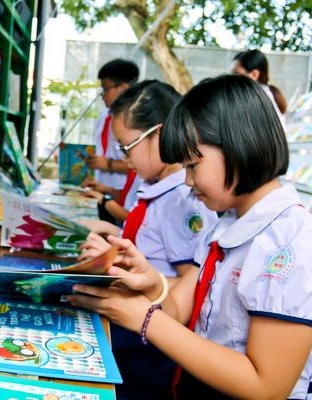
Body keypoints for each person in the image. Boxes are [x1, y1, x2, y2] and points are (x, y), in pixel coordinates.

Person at [68, 75, 312, 399]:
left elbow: (266, 386)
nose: (187, 181)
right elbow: (179, 308)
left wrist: (146, 320)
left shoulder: (294, 241)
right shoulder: (226, 225)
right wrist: (149, 281)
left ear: (237, 144)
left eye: (193, 165)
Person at [79, 80, 218, 399]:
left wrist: (132, 277)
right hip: (137, 332)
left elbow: (193, 289)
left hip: (151, 352)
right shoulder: (159, 191)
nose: (124, 157)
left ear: (159, 133)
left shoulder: (184, 200)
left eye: (127, 146)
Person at [83, 58, 140, 223]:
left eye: (105, 89)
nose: (102, 95)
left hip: (124, 198)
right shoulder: (105, 116)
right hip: (108, 191)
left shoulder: (134, 122)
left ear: (122, 88)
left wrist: (106, 164)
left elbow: (136, 164)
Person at [231, 49, 287, 127]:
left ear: (254, 74)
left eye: (237, 74)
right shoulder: (264, 95)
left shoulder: (257, 100)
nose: (231, 79)